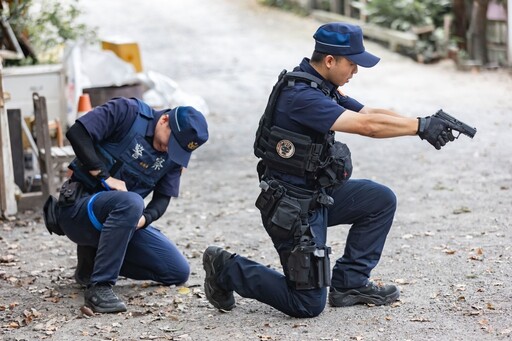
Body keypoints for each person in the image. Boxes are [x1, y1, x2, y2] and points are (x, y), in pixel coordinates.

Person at [202, 22, 455, 318]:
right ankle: (227, 267)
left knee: (380, 200)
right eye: (352, 64)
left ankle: (350, 284)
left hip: (318, 195)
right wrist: (419, 129)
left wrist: (421, 120)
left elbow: (369, 112)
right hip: (292, 209)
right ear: (331, 61)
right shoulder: (302, 97)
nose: (356, 71)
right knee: (307, 304)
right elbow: (368, 127)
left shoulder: (322, 86)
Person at [54, 97, 208, 313]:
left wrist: (144, 219)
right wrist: (103, 175)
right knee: (132, 201)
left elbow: (162, 199)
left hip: (121, 221)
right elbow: (77, 133)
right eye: (168, 143)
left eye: (176, 149)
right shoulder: (127, 111)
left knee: (177, 271)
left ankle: (90, 264)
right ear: (164, 120)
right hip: (79, 210)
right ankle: (100, 288)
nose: (167, 150)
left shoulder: (173, 156)